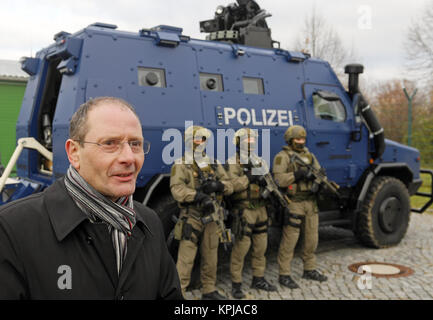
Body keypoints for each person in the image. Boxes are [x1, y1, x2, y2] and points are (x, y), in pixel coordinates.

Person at [0, 96, 182, 299]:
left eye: (135, 144)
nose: (129, 157)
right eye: (110, 143)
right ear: (74, 152)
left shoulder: (149, 222)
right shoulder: (10, 230)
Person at [170, 125, 233, 300]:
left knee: (211, 255)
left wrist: (219, 186)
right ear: (189, 142)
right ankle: (178, 294)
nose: (200, 143)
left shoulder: (213, 163)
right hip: (193, 217)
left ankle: (209, 290)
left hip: (213, 216)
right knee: (186, 259)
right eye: (197, 139)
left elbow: (230, 185)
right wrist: (197, 196)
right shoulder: (181, 164)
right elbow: (177, 190)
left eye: (203, 140)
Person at [272, 125, 328, 289]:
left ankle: (309, 269)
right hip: (294, 202)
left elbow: (320, 173)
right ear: (290, 140)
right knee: (290, 240)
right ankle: (284, 274)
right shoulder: (282, 157)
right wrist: (297, 175)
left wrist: (318, 182)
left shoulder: (310, 156)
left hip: (311, 203)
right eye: (297, 139)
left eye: (303, 139)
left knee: (312, 239)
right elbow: (279, 179)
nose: (301, 142)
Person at [226, 128, 276, 299]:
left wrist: (267, 185)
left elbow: (269, 182)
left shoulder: (260, 161)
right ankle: (236, 284)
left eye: (253, 139)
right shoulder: (233, 162)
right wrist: (249, 178)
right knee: (241, 249)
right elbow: (231, 185)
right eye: (247, 139)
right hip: (244, 210)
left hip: (261, 209)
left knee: (261, 248)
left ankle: (258, 278)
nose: (251, 141)